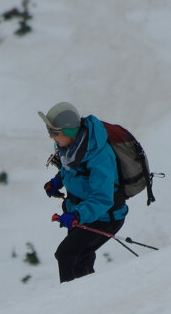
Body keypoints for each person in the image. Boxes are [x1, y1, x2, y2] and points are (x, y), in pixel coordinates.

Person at [39, 102, 128, 282]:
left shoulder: (99, 157)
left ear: (69, 131)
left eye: (54, 132)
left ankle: (70, 297)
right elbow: (71, 169)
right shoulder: (70, 148)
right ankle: (89, 295)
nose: (50, 136)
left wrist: (77, 215)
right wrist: (57, 181)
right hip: (83, 213)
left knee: (66, 254)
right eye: (49, 131)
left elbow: (103, 198)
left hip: (104, 217)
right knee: (80, 259)